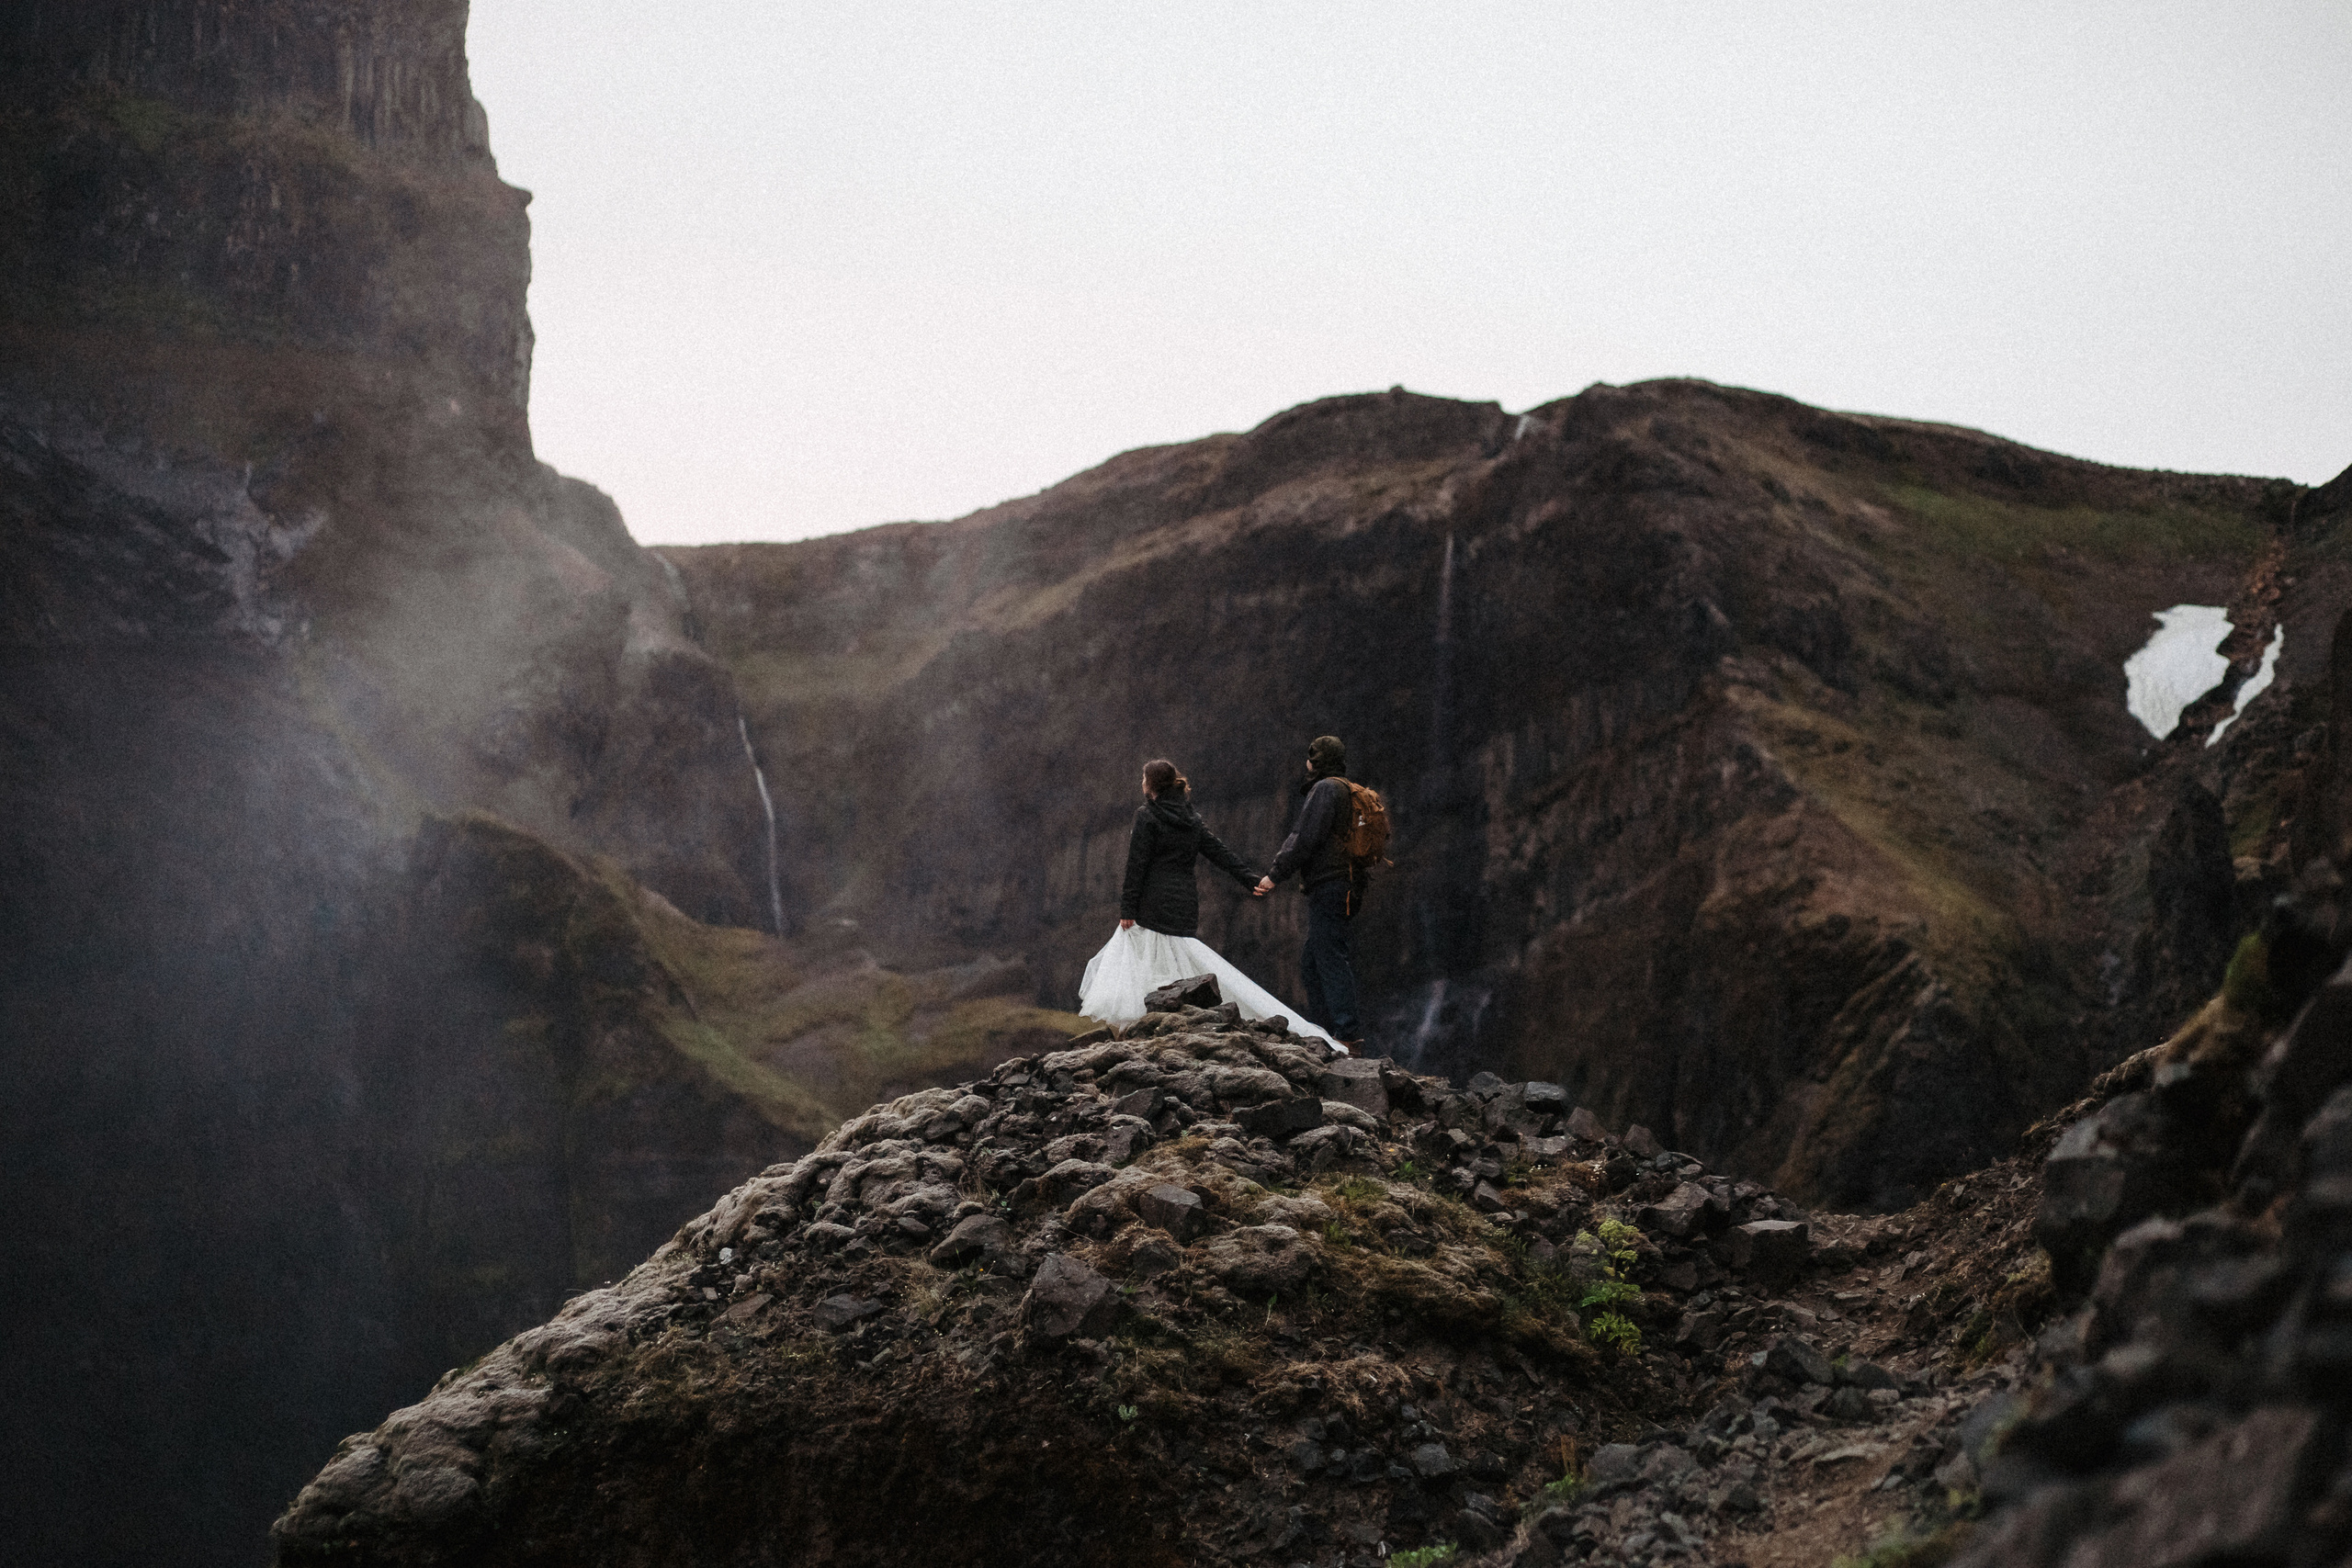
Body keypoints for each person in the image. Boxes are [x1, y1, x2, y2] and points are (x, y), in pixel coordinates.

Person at [1078, 759, 1340, 1048]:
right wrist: (1249, 879)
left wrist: (1127, 909)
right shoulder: (1191, 818)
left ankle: (1143, 1029)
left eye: (1144, 779)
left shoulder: (1147, 816)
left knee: (1146, 962)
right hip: (1184, 904)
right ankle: (1168, 1026)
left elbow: (1136, 866)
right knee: (1175, 960)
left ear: (1150, 784)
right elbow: (1218, 852)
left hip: (1152, 903)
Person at [1254, 734, 1365, 1049]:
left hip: (1330, 885)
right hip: (1343, 885)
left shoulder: (1326, 789)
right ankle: (1325, 1031)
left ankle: (1346, 1035)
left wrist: (1274, 875)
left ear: (1316, 761)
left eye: (1310, 758)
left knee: (1329, 957)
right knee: (1313, 961)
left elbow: (1304, 837)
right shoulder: (1346, 790)